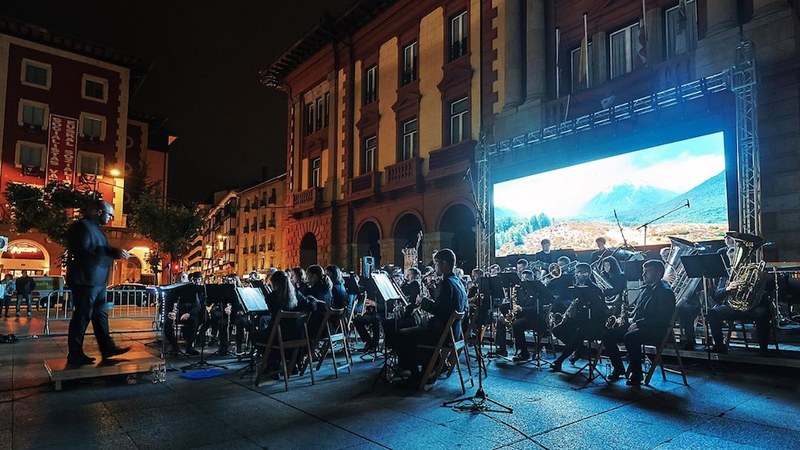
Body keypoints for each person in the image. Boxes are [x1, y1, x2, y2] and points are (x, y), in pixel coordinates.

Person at [64, 200, 131, 365]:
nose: (110, 218)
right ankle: (75, 353)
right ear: (99, 212)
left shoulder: (96, 229)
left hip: (97, 280)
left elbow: (97, 250)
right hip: (85, 279)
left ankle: (107, 347)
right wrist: (111, 251)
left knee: (100, 314)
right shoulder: (82, 226)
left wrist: (112, 252)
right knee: (82, 316)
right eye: (109, 215)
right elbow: (83, 250)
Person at [394, 248, 467, 386]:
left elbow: (439, 310)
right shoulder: (458, 282)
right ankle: (435, 364)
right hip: (454, 332)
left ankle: (417, 376)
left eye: (436, 263)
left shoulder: (446, 283)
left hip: (442, 333)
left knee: (401, 335)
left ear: (444, 263)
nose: (434, 267)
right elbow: (448, 305)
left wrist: (423, 302)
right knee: (415, 332)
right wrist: (433, 291)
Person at [602, 260, 676, 386]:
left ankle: (637, 375)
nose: (643, 274)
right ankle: (619, 368)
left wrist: (638, 324)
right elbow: (639, 310)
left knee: (630, 337)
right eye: (643, 271)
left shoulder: (665, 292)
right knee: (607, 334)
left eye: (648, 272)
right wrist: (628, 319)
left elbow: (661, 318)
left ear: (658, 274)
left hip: (656, 329)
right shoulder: (644, 289)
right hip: (640, 325)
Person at [550, 263, 607, 371]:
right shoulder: (574, 288)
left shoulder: (595, 289)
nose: (575, 275)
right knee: (557, 330)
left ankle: (560, 361)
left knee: (579, 332)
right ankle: (579, 348)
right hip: (578, 320)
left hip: (593, 322)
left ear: (586, 274)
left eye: (578, 273)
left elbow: (600, 310)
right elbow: (564, 299)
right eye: (576, 273)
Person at [497, 269, 554, 361]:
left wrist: (522, 309)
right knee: (500, 320)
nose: (525, 281)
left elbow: (536, 309)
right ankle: (502, 349)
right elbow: (516, 303)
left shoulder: (538, 291)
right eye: (523, 279)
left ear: (532, 279)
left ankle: (523, 353)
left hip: (534, 318)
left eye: (527, 278)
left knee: (517, 324)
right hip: (522, 316)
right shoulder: (520, 290)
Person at [165, 273, 203, 356]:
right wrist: (169, 313)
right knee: (166, 324)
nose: (181, 279)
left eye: (183, 277)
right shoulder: (172, 290)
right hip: (175, 314)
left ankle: (190, 347)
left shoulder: (192, 290)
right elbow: (167, 304)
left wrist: (188, 314)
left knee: (195, 321)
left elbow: (197, 305)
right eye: (180, 278)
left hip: (187, 314)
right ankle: (174, 346)